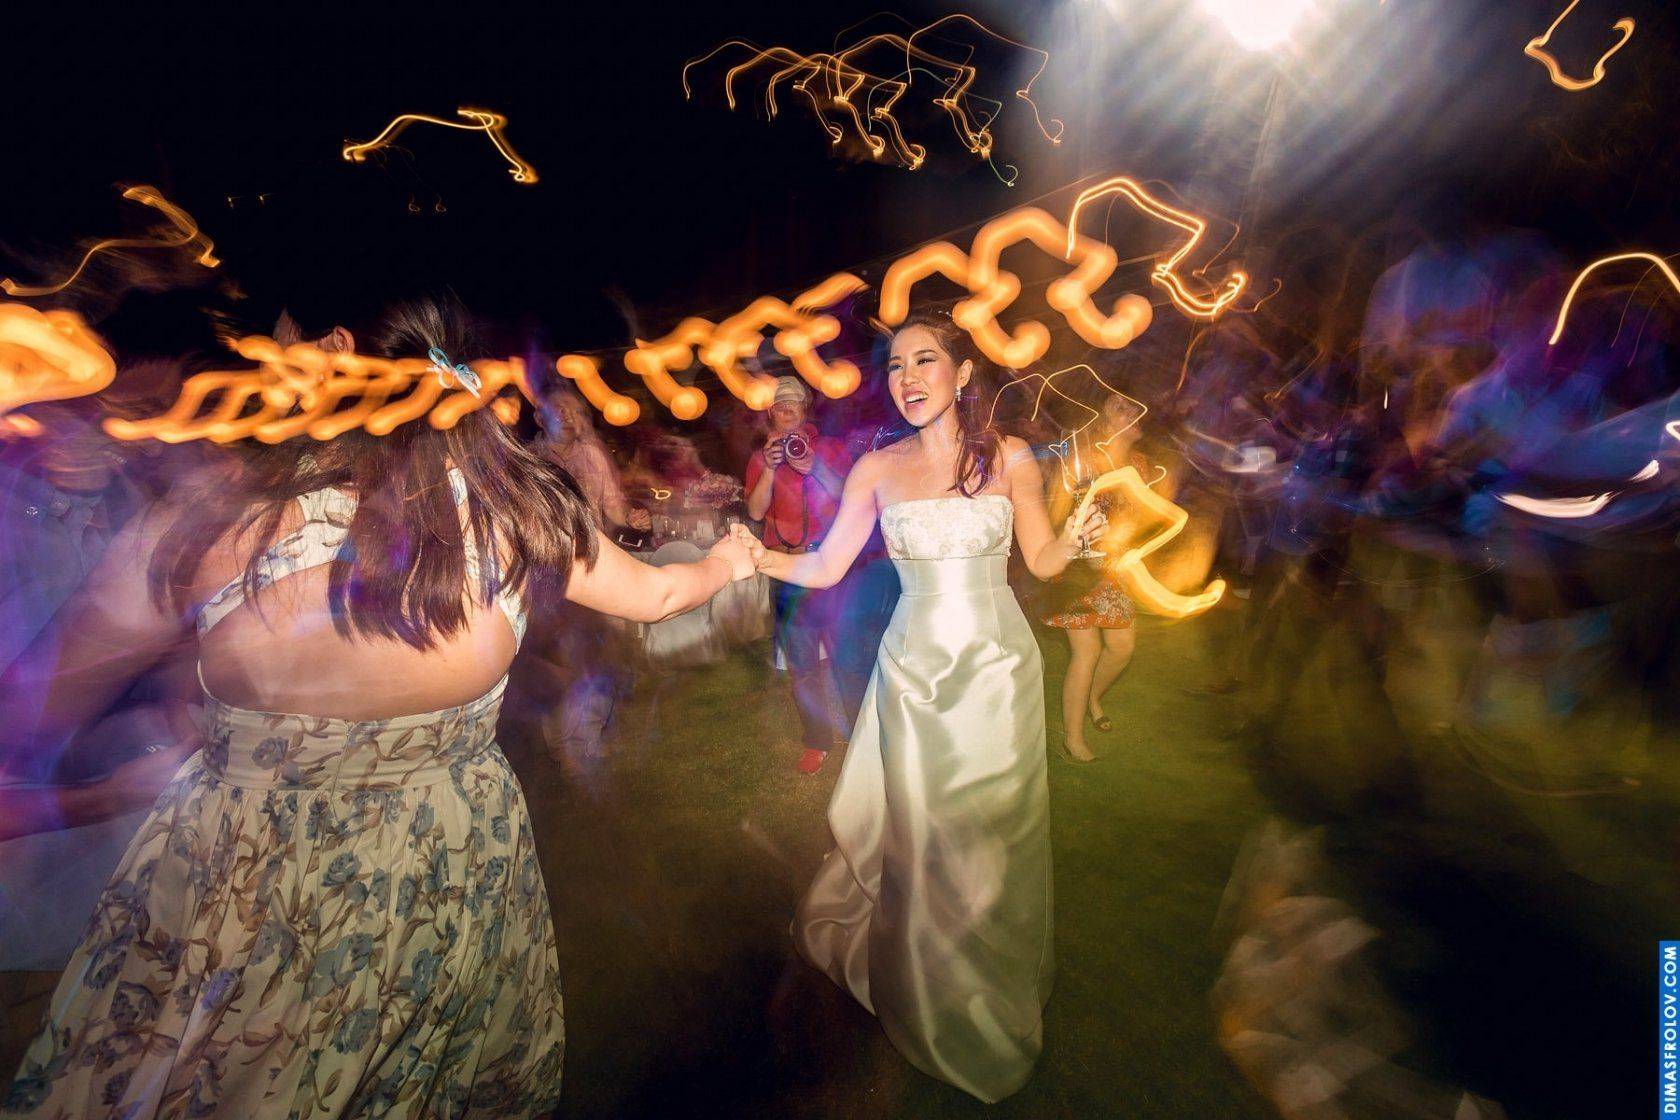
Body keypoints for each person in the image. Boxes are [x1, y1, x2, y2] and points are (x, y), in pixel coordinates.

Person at [0, 297, 759, 1117]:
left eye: (277, 342)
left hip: (253, 884)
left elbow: (32, 708)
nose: (261, 364)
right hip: (447, 866)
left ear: (333, 346)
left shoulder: (212, 520)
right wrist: (730, 560)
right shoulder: (515, 507)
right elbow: (657, 595)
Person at [731, 310, 1106, 1102]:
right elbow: (827, 567)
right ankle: (927, 986)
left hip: (999, 671)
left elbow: (1040, 558)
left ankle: (992, 980)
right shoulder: (877, 469)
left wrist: (1074, 541)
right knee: (924, 832)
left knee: (996, 834)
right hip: (915, 671)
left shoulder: (1009, 457)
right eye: (897, 366)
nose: (908, 379)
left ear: (963, 374)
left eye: (925, 361)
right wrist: (758, 556)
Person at [743, 375, 852, 775]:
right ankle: (817, 740)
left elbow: (849, 497)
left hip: (829, 566)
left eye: (794, 402)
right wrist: (770, 469)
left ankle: (862, 730)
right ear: (770, 413)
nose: (787, 409)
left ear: (805, 408)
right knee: (802, 664)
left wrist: (814, 466)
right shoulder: (761, 458)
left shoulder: (830, 447)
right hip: (786, 571)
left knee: (847, 654)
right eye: (779, 404)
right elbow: (755, 512)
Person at [1037, 397, 1146, 762]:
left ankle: (1091, 698)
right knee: (1088, 651)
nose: (1131, 414)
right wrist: (1075, 537)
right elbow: (1053, 515)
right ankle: (1073, 738)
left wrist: (1122, 536)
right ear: (1101, 417)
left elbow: (1139, 517)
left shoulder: (1138, 465)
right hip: (1075, 571)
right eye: (1120, 408)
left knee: (1123, 647)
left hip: (1110, 570)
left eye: (1134, 408)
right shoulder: (1080, 462)